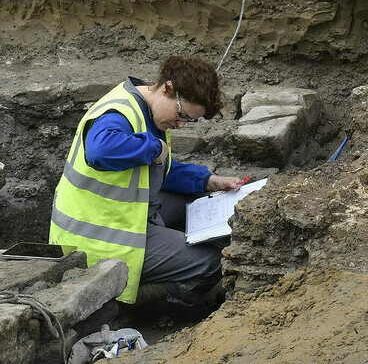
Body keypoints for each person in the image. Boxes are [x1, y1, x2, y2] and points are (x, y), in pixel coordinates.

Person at [49, 56, 246, 306]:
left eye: (190, 120)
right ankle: (143, 301)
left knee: (196, 198)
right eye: (182, 114)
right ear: (168, 88)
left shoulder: (148, 110)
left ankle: (162, 268)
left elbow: (158, 169)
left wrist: (209, 181)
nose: (182, 125)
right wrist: (153, 147)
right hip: (97, 241)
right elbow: (100, 150)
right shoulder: (120, 113)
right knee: (212, 262)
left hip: (117, 213)